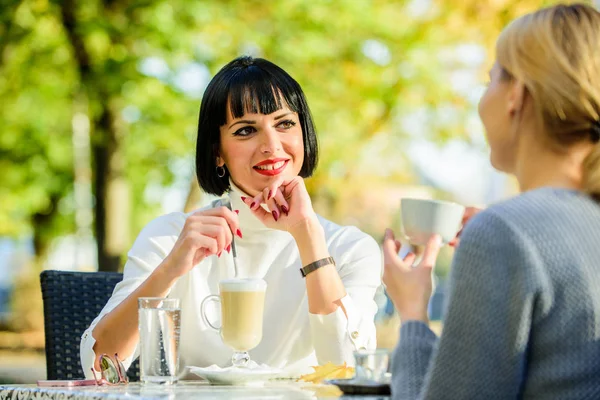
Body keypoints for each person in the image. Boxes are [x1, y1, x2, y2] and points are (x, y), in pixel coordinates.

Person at [80, 56, 382, 378]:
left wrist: (308, 236)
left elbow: (351, 370)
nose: (271, 145)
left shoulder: (350, 247)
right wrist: (171, 269)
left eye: (284, 124)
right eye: (246, 130)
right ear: (217, 153)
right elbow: (99, 366)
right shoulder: (173, 236)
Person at [383, 3, 600, 399]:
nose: (481, 101)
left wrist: (412, 312)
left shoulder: (505, 232)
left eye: (490, 79)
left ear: (516, 95)